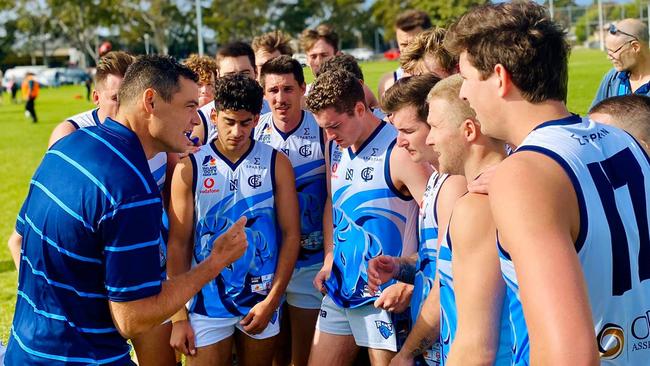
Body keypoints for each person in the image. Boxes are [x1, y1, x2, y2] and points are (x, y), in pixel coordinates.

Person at [4, 55, 249, 365]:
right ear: (151, 101)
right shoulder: (131, 187)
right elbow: (131, 319)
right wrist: (215, 262)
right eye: (189, 106)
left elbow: (19, 239)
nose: (195, 118)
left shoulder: (68, 145)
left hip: (23, 351)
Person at [446, 2, 650, 364]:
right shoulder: (623, 139)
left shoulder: (526, 174)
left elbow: (568, 355)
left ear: (499, 76)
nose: (462, 94)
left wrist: (521, 181)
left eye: (465, 77)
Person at [167, 73, 300, 366]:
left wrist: (273, 300)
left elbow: (291, 235)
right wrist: (179, 317)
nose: (237, 131)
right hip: (206, 304)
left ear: (256, 118)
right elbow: (178, 244)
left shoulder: (276, 163)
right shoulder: (190, 167)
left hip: (260, 300)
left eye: (245, 122)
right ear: (214, 116)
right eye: (229, 121)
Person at [306, 69, 431, 366]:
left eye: (334, 126)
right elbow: (333, 205)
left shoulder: (399, 150)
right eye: (323, 128)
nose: (329, 135)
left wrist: (413, 281)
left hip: (384, 297)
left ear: (360, 109)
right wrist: (329, 258)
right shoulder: (334, 146)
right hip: (340, 289)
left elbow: (438, 222)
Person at [366, 74, 467, 366]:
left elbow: (447, 284)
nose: (399, 142)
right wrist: (401, 266)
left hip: (452, 346)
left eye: (408, 130)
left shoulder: (454, 188)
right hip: (437, 346)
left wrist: (407, 353)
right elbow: (434, 261)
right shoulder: (436, 180)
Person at [425, 74, 512, 365]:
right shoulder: (504, 187)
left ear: (469, 131)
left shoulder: (477, 207)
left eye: (435, 126)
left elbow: (478, 348)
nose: (429, 139)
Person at [254, 55, 326, 366]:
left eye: (287, 89)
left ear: (302, 88)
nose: (280, 99)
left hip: (311, 261)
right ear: (263, 92)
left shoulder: (322, 129)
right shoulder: (254, 131)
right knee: (272, 354)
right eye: (272, 91)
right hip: (268, 263)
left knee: (303, 356)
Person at [194, 41, 271, 145]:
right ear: (218, 75)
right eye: (230, 75)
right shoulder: (203, 117)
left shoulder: (271, 111)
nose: (238, 81)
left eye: (244, 73)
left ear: (256, 72)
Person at [592, 18, 650, 106]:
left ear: (635, 47)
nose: (608, 57)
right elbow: (595, 117)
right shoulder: (613, 77)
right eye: (608, 51)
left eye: (613, 51)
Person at [377, 10, 432, 101]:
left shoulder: (445, 76)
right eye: (404, 45)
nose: (409, 50)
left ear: (430, 39)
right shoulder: (388, 84)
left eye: (414, 43)